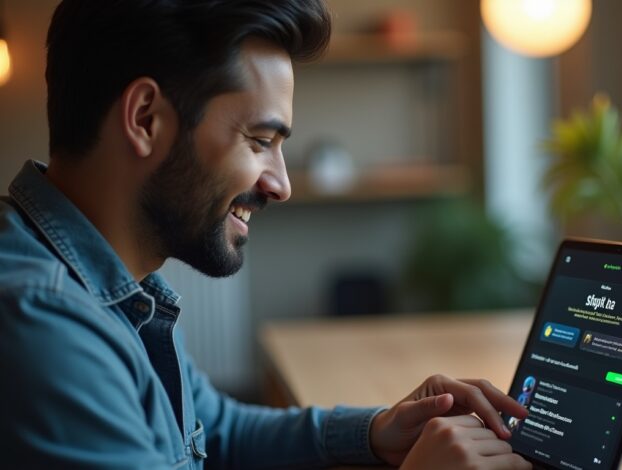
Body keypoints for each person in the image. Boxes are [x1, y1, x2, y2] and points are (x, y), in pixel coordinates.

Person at [0, 1, 531, 469]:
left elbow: (215, 427)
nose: (281, 184)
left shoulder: (113, 286)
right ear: (145, 119)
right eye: (259, 140)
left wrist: (378, 431)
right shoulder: (42, 324)